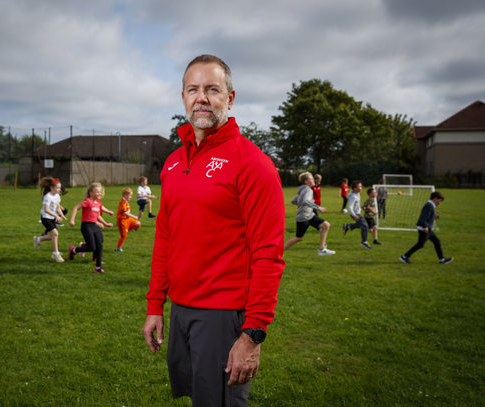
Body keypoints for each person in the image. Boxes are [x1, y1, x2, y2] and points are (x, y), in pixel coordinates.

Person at [142, 54, 285, 407]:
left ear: (230, 98)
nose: (201, 98)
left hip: (223, 316)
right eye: (193, 89)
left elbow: (268, 254)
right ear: (183, 98)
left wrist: (252, 334)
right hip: (181, 309)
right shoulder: (174, 163)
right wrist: (155, 305)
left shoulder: (253, 164)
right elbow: (165, 238)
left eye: (212, 89)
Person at [284, 172, 335, 256]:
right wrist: (319, 208)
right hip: (304, 217)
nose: (313, 180)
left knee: (326, 225)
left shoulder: (302, 189)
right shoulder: (308, 190)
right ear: (306, 181)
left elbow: (294, 201)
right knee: (299, 238)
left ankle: (322, 249)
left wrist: (302, 205)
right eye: (311, 179)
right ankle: (279, 251)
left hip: (310, 215)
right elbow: (306, 201)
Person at [68, 182, 113, 273]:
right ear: (91, 193)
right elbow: (76, 208)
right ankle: (74, 250)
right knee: (92, 247)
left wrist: (106, 223)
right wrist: (72, 220)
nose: (99, 193)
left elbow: (98, 216)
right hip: (86, 226)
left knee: (99, 245)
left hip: (95, 226)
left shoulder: (98, 203)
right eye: (97, 192)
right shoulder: (87, 201)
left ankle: (98, 267)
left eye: (100, 192)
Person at [400, 191, 453, 264]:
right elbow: (423, 217)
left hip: (427, 228)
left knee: (436, 241)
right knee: (420, 244)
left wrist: (434, 216)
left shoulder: (430, 205)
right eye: (439, 201)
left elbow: (428, 216)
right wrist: (425, 226)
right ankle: (404, 256)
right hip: (424, 229)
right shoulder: (429, 206)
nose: (440, 203)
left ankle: (442, 259)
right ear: (435, 199)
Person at [33, 177, 67, 263]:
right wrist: (56, 216)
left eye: (60, 188)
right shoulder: (47, 197)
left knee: (53, 236)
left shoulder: (57, 196)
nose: (59, 189)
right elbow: (46, 210)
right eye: (57, 188)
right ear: (52, 188)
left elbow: (58, 207)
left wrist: (62, 215)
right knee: (55, 234)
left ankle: (38, 239)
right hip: (45, 218)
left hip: (51, 218)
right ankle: (55, 254)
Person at [342, 180, 372, 250]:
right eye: (359, 186)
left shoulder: (357, 193)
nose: (361, 188)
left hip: (358, 213)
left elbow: (347, 196)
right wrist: (354, 215)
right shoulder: (353, 196)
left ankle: (348, 226)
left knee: (361, 225)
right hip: (356, 214)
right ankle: (364, 242)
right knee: (365, 226)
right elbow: (350, 207)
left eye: (361, 186)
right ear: (355, 188)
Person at [115, 187, 141, 252]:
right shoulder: (123, 202)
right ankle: (118, 248)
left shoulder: (126, 202)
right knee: (124, 235)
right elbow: (124, 212)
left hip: (128, 219)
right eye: (130, 195)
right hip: (122, 220)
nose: (131, 197)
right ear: (125, 195)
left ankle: (126, 229)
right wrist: (134, 216)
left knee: (138, 224)